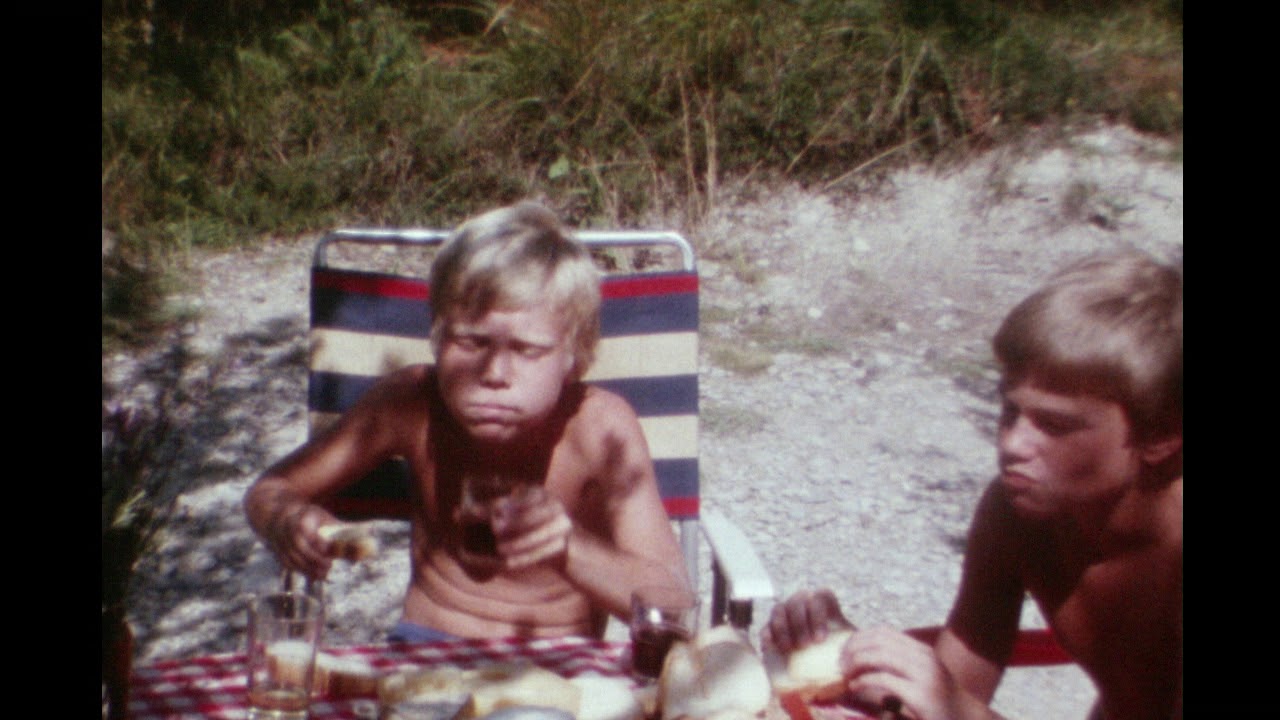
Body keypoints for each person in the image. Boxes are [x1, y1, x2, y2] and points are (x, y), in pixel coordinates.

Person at [762, 251, 1182, 720]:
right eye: (1009, 411)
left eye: (1055, 425)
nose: (1012, 444)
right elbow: (946, 693)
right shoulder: (1017, 515)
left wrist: (960, 712)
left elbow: (957, 710)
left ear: (1162, 435)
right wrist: (851, 662)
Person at [244, 202, 690, 641]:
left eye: (527, 350)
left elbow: (673, 602)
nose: (495, 374)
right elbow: (268, 491)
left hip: (557, 671)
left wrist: (569, 545)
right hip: (425, 654)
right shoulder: (412, 403)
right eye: (471, 343)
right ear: (436, 339)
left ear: (573, 357)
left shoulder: (599, 428)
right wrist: (287, 519)